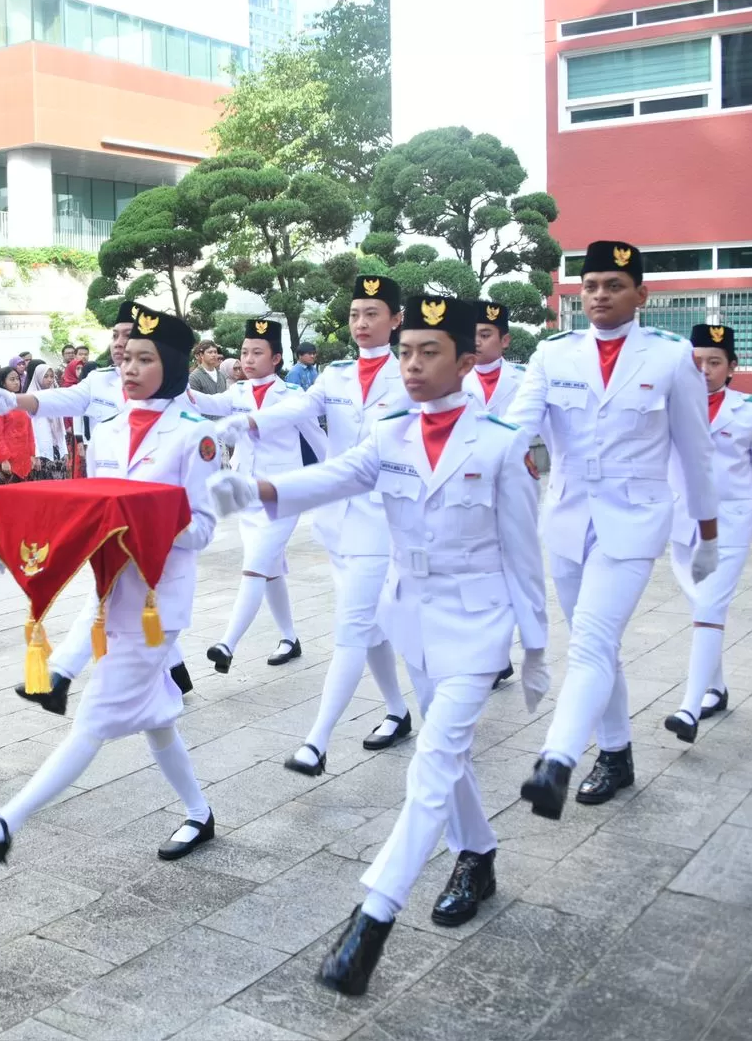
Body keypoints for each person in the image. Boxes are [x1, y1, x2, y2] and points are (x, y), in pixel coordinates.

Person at [208, 295, 550, 996]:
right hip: (414, 617)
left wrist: (536, 650)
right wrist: (258, 488)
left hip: (477, 624)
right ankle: (478, 856)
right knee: (445, 754)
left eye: (430, 352)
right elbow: (335, 475)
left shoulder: (501, 442)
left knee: (431, 762)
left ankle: (374, 916)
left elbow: (524, 556)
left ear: (465, 359)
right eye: (407, 352)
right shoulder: (391, 432)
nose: (414, 365)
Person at [0, 302, 218, 864]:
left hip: (158, 601)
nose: (127, 366)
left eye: (144, 359)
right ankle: (200, 814)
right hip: (110, 596)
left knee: (96, 715)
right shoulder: (109, 428)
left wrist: (147, 518)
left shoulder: (196, 436)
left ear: (170, 367)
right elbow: (90, 509)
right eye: (127, 356)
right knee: (157, 718)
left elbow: (203, 530)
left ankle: (7, 820)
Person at [507, 241, 719, 818]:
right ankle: (618, 753)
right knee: (595, 646)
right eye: (592, 284)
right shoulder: (554, 355)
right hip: (570, 520)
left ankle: (556, 761)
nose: (600, 294)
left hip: (634, 520)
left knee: (592, 642)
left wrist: (709, 532)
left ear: (640, 294)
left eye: (614, 285)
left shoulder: (671, 357)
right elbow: (516, 427)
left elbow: (696, 452)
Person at [218, 275, 414, 765]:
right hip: (338, 517)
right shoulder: (337, 374)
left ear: (396, 320)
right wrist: (246, 421)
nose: (362, 323)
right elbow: (299, 408)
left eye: (372, 313)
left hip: (383, 516)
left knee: (351, 623)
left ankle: (317, 740)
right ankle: (397, 711)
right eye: (354, 315)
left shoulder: (410, 375)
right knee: (368, 625)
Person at [0, 301, 197, 708]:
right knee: (122, 598)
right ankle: (174, 678)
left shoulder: (171, 394)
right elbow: (58, 400)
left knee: (111, 595)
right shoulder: (100, 382)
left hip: (149, 514)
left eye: (129, 336)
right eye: (117, 336)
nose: (121, 344)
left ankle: (59, 675)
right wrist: (15, 403)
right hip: (108, 503)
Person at [665, 323, 752, 739]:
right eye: (697, 362)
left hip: (730, 524)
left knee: (709, 608)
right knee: (702, 608)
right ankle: (716, 688)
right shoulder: (672, 406)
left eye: (714, 362)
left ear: (732, 366)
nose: (705, 370)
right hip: (683, 524)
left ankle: (688, 709)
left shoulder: (750, 409)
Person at [189, 319, 325, 674]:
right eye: (245, 352)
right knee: (270, 566)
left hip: (285, 493)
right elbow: (203, 399)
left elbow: (320, 443)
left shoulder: (293, 397)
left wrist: (341, 481)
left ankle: (227, 643)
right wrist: (173, 380)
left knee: (255, 565)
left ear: (276, 358)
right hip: (247, 494)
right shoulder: (237, 393)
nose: (247, 359)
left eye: (257, 353)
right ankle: (289, 637)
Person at [463, 302, 525, 415]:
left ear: (505, 341)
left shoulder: (526, 380)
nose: (476, 342)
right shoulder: (452, 379)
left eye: (484, 335)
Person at [24, 360, 66, 480]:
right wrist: (35, 454)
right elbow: (31, 429)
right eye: (45, 376)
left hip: (57, 449)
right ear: (37, 377)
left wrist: (65, 450)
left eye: (52, 376)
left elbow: (60, 426)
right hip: (42, 451)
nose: (49, 379)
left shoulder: (55, 396)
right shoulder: (30, 399)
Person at [0, 366, 35, 484]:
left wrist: (32, 454)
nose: (16, 382)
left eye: (17, 379)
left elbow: (30, 430)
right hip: (9, 457)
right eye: (12, 379)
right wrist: (4, 459)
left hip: (25, 455)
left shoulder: (22, 401)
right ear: (3, 383)